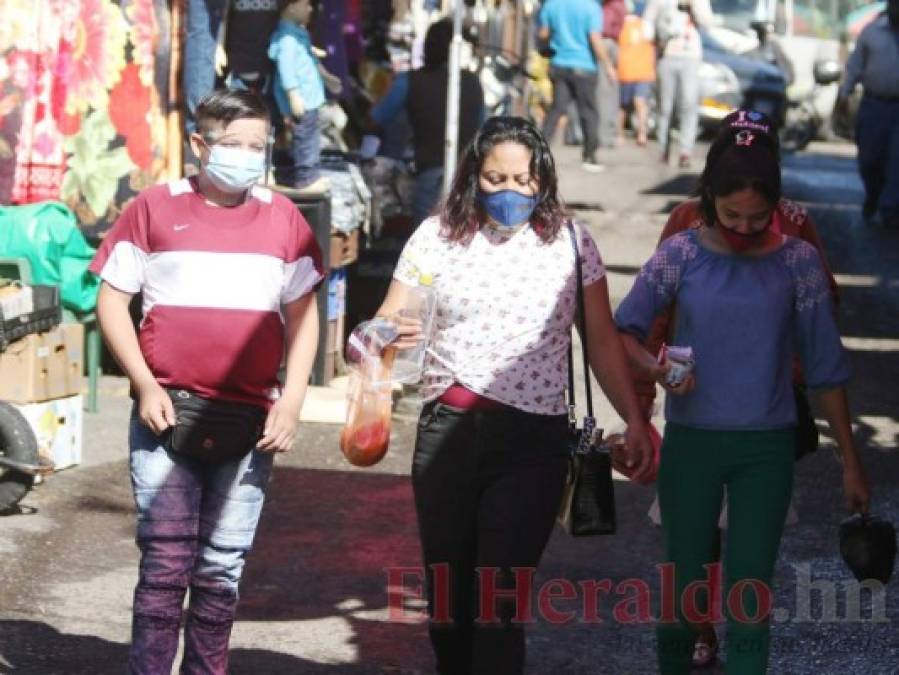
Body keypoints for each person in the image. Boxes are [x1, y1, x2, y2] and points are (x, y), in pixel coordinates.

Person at [375, 115, 654, 674]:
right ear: (472, 178)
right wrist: (386, 332)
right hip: (445, 438)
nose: (509, 191)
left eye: (522, 180)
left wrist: (637, 419)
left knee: (498, 604)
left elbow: (600, 340)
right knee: (450, 605)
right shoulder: (436, 238)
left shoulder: (573, 245)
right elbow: (390, 314)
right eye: (495, 178)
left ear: (543, 179)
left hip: (534, 444)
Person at [615, 109, 871, 674]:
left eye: (758, 217)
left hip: (766, 450)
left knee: (750, 596)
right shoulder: (680, 252)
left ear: (776, 207)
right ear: (708, 198)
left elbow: (827, 372)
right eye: (732, 214)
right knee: (684, 588)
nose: (745, 227)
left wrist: (852, 462)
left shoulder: (799, 264)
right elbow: (624, 330)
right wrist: (655, 375)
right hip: (692, 447)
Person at [90, 89, 323, 674]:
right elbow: (112, 302)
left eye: (257, 145)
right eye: (231, 144)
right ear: (199, 144)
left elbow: (304, 316)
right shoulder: (153, 207)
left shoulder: (284, 217)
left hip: (250, 423)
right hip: (164, 417)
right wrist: (144, 383)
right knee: (164, 565)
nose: (246, 156)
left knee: (222, 568)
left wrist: (292, 400)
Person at [405, 18, 485, 226]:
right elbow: (482, 126)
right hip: (466, 176)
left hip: (429, 173)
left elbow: (379, 116)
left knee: (423, 241)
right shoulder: (472, 82)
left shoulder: (410, 80)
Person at [836, 0, 899, 228]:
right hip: (874, 105)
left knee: (896, 162)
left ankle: (889, 209)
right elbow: (855, 65)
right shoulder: (872, 32)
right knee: (869, 160)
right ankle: (874, 196)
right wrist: (845, 93)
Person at [269, 0, 342, 192]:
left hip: (310, 98)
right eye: (306, 4)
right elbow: (287, 69)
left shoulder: (298, 34)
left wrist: (326, 77)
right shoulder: (287, 39)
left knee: (310, 137)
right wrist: (293, 94)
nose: (311, 9)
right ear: (292, 7)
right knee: (305, 140)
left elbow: (309, 58)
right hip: (303, 100)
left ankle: (310, 175)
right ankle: (306, 179)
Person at [538, 0, 618, 172]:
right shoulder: (591, 7)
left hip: (559, 64)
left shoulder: (552, 4)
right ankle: (589, 155)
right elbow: (595, 39)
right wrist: (608, 65)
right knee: (588, 112)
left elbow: (543, 34)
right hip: (584, 66)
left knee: (557, 109)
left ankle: (539, 151)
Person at [642, 0, 713, 168]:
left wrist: (694, 6)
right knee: (665, 106)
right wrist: (654, 38)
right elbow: (647, 21)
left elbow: (707, 23)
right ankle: (662, 148)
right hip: (667, 54)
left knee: (689, 104)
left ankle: (685, 152)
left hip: (691, 56)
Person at [616, 10, 656, 146]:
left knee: (629, 104)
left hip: (632, 72)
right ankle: (634, 134)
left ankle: (631, 134)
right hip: (636, 72)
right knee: (634, 104)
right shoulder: (644, 25)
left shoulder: (623, 25)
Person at [598, 0, 627, 147]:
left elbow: (604, 27)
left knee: (605, 94)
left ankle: (604, 136)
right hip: (611, 43)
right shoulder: (619, 4)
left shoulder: (611, 6)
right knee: (609, 93)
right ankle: (607, 134)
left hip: (606, 43)